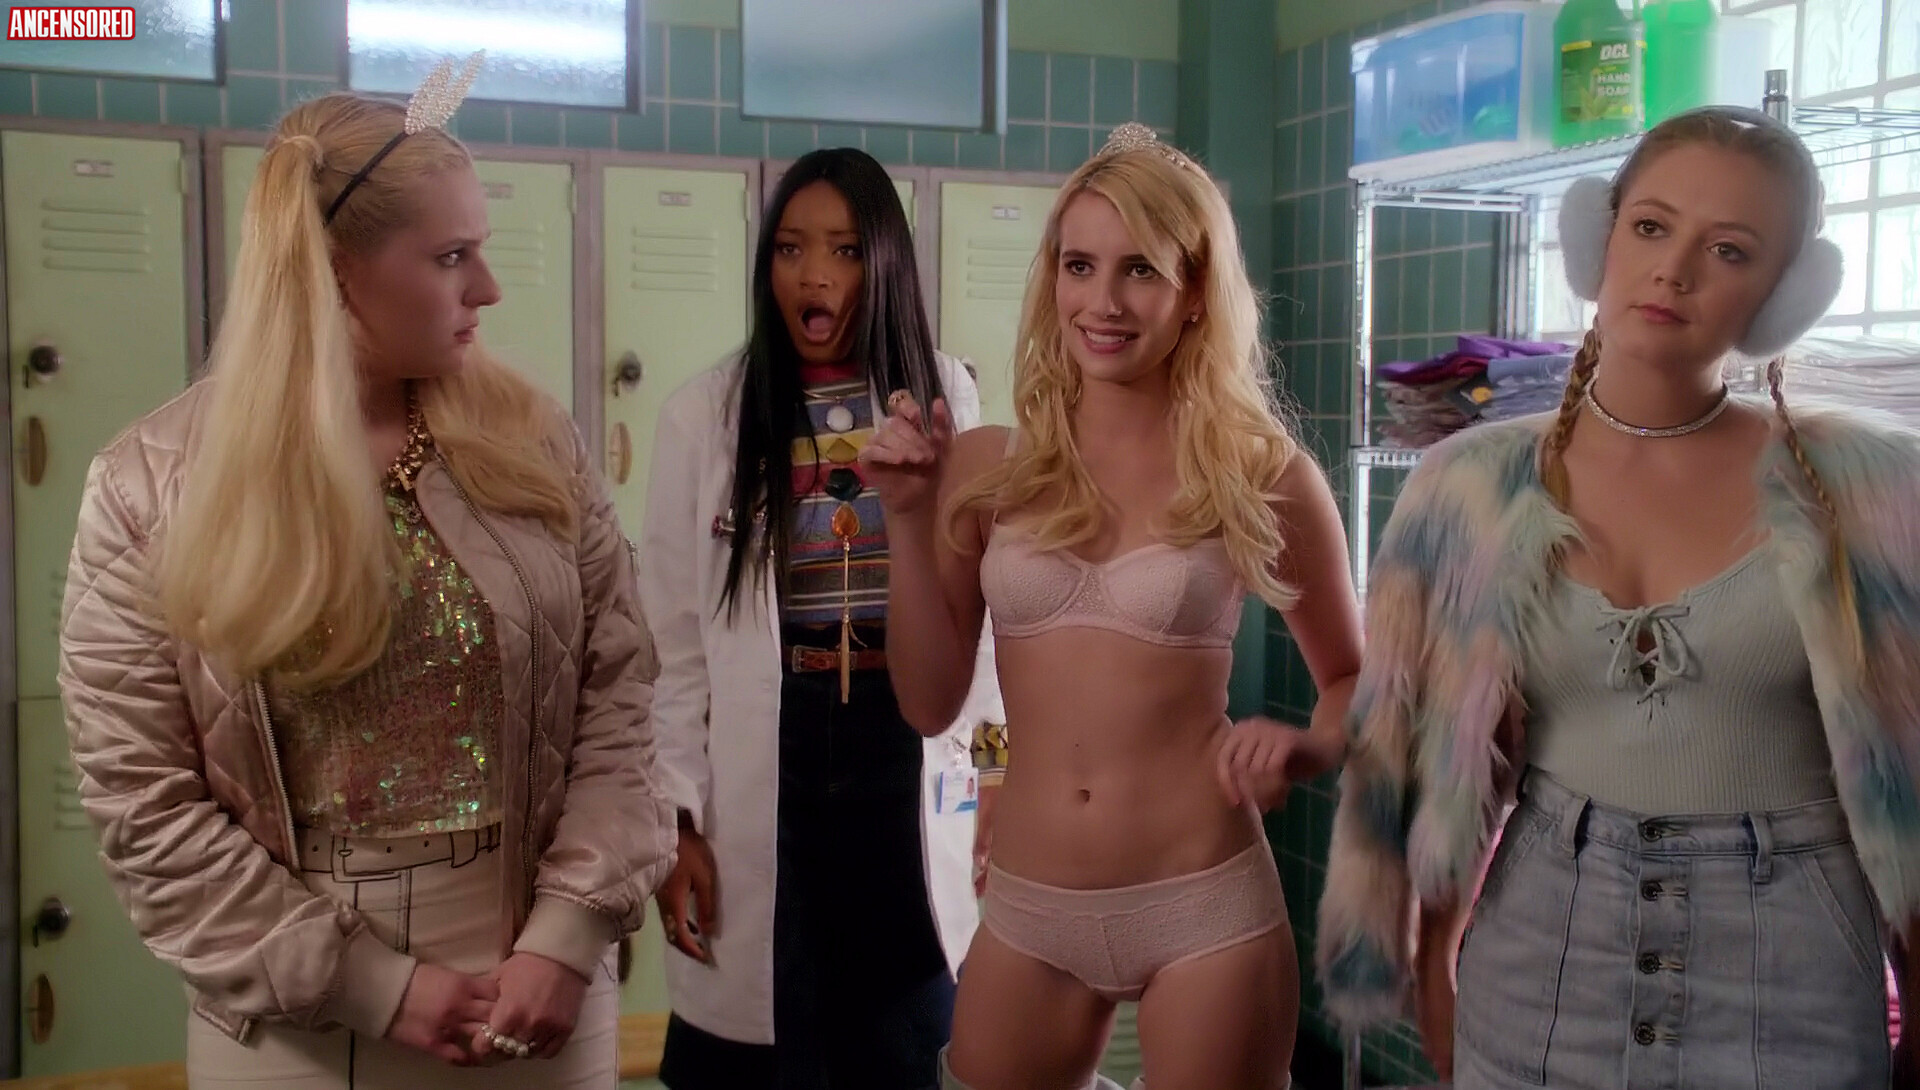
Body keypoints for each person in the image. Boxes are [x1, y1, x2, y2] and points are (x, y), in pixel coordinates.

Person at [57, 79, 677, 1088]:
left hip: (536, 986)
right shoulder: (148, 485)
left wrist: (568, 933)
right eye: (451, 256)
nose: (489, 288)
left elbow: (622, 700)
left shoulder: (535, 442)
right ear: (335, 270)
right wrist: (369, 984)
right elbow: (145, 804)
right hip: (289, 1008)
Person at [1317, 106, 1918, 1089]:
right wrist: (1431, 960)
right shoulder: (1467, 486)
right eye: (1650, 226)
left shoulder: (1867, 491)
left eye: (1728, 250)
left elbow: (1909, 778)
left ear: (1784, 294)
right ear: (1598, 236)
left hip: (1791, 971)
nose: (1673, 271)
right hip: (1541, 955)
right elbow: (1426, 753)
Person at [864, 123, 1362, 1090]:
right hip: (1030, 909)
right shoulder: (988, 468)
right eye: (1079, 265)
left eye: (1140, 270)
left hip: (1204, 901)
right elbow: (928, 704)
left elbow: (1352, 679)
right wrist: (908, 519)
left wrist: (1309, 748)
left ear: (1194, 292)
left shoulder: (1261, 474)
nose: (1103, 302)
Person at [637, 145, 1005, 1090]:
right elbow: (671, 646)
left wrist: (998, 774)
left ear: (883, 264)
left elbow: (985, 626)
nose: (813, 274)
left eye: (843, 250)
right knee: (757, 1045)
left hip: (904, 737)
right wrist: (677, 818)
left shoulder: (946, 397)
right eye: (791, 248)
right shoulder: (705, 415)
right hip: (775, 746)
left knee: (907, 1034)